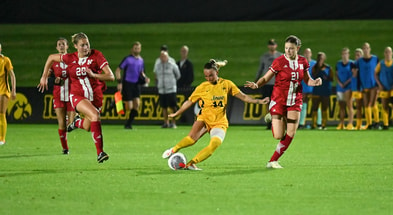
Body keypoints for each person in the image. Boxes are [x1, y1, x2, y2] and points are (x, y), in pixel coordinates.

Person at [162, 59, 269, 170]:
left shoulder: (227, 84)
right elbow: (189, 101)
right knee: (192, 139)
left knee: (215, 144)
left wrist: (259, 101)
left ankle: (191, 163)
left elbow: (244, 97)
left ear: (217, 73)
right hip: (204, 118)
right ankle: (174, 150)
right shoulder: (202, 87)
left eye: (211, 76)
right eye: (206, 76)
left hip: (219, 121)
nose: (208, 79)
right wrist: (177, 113)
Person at [245, 35, 322, 169]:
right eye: (286, 48)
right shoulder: (279, 61)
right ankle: (273, 116)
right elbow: (266, 77)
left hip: (295, 100)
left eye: (291, 49)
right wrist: (257, 85)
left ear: (298, 48)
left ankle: (273, 160)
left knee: (291, 132)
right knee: (278, 135)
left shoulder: (303, 62)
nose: (288, 51)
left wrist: (314, 82)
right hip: (279, 100)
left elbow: (307, 79)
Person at [38, 32, 115, 163]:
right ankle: (100, 153)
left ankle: (76, 122)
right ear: (75, 46)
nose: (86, 47)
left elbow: (111, 76)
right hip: (77, 95)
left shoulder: (96, 55)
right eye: (82, 45)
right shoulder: (70, 58)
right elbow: (51, 57)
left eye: (87, 44)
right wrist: (44, 76)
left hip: (95, 97)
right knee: (95, 116)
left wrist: (94, 75)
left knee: (88, 126)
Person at [48, 37, 76, 154]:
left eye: (63, 44)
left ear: (67, 46)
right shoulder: (53, 61)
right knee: (61, 123)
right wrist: (54, 80)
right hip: (58, 95)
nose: (61, 46)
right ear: (56, 47)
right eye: (59, 44)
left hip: (71, 96)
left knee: (71, 123)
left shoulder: (73, 60)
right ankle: (65, 148)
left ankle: (70, 120)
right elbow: (48, 78)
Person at [115, 41, 150, 129]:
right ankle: (116, 104)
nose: (137, 49)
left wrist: (146, 78)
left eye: (138, 48)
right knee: (129, 107)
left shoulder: (141, 60)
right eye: (135, 48)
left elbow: (141, 72)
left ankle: (128, 124)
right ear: (132, 49)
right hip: (128, 83)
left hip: (136, 84)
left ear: (140, 49)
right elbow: (118, 70)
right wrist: (119, 82)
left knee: (136, 105)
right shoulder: (127, 59)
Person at [254, 39, 282, 129]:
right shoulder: (264, 57)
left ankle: (277, 122)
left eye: (273, 45)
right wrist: (256, 81)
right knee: (267, 103)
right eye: (270, 45)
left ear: (276, 46)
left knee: (277, 103)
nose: (272, 46)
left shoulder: (281, 56)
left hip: (277, 84)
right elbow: (260, 69)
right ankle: (269, 123)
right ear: (268, 46)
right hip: (267, 83)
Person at [354, 42, 380, 129]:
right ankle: (369, 123)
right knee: (366, 104)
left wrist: (379, 84)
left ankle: (376, 122)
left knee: (371, 103)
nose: (366, 50)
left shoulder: (375, 59)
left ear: (370, 49)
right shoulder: (359, 61)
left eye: (367, 48)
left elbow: (378, 72)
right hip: (364, 85)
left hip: (373, 85)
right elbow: (356, 74)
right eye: (364, 48)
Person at [154, 51, 181, 128]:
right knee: (164, 107)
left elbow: (178, 75)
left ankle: (174, 122)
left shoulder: (172, 64)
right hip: (162, 90)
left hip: (171, 89)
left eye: (164, 56)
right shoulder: (158, 65)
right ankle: (166, 122)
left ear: (167, 57)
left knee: (173, 106)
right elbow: (156, 74)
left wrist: (171, 83)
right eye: (161, 56)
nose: (162, 58)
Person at [311, 52, 333, 130]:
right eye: (319, 57)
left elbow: (331, 78)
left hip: (325, 90)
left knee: (324, 108)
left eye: (322, 57)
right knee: (314, 107)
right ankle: (313, 124)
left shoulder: (328, 68)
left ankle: (324, 125)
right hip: (316, 90)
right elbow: (313, 76)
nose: (321, 59)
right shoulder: (314, 67)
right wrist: (319, 68)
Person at [0, 43, 17, 146]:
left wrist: (13, 90)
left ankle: (2, 138)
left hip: (3, 91)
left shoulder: (5, 60)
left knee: (1, 114)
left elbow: (12, 76)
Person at [335, 48, 354, 130]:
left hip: (348, 87)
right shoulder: (338, 64)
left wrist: (346, 83)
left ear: (348, 54)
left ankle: (350, 123)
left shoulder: (351, 63)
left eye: (346, 53)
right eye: (343, 54)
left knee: (349, 105)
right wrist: (340, 83)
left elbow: (353, 75)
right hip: (340, 87)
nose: (344, 55)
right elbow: (336, 74)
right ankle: (341, 123)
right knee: (341, 106)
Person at [375, 46, 393, 130]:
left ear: (392, 53)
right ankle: (385, 124)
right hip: (384, 87)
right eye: (386, 52)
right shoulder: (381, 64)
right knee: (384, 106)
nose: (388, 54)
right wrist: (379, 84)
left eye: (389, 52)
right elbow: (375, 74)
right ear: (384, 54)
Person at [299, 48, 316, 129]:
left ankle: (317, 123)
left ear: (311, 54)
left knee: (315, 105)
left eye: (308, 53)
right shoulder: (300, 64)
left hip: (313, 88)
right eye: (305, 53)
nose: (307, 54)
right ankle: (301, 123)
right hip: (303, 87)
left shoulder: (315, 64)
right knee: (303, 105)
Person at [351, 48, 364, 130]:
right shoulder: (354, 64)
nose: (357, 56)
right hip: (357, 88)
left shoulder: (364, 63)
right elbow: (354, 75)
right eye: (356, 55)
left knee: (366, 106)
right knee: (358, 106)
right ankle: (358, 124)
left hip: (365, 87)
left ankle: (368, 123)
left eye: (359, 54)